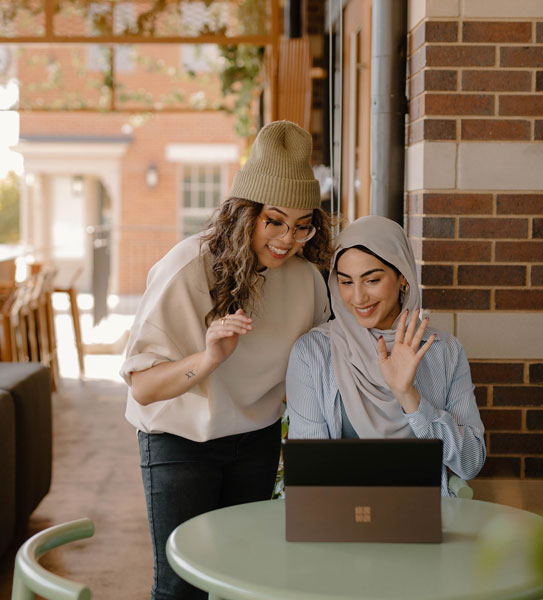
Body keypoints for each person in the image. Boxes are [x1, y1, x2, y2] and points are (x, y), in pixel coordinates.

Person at [120, 120, 333, 600]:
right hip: (180, 439)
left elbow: (317, 367)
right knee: (181, 586)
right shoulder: (186, 268)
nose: (286, 239)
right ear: (245, 214)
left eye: (302, 226)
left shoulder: (305, 280)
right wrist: (210, 357)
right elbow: (143, 388)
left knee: (241, 579)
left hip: (254, 441)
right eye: (273, 221)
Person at [286, 215, 485, 495]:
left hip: (421, 521)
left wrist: (409, 397)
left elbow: (471, 463)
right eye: (346, 282)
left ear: (402, 276)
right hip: (337, 519)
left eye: (372, 280)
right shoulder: (313, 353)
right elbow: (308, 473)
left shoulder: (444, 351)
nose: (357, 298)